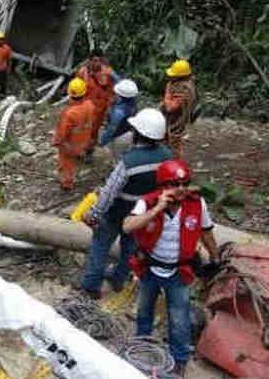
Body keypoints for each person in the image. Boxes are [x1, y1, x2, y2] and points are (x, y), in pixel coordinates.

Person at [123, 159, 219, 376]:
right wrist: (158, 208)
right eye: (175, 184)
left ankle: (180, 359)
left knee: (179, 317)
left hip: (179, 271)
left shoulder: (197, 204)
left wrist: (215, 257)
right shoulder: (147, 203)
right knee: (144, 310)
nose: (181, 189)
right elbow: (128, 226)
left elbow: (206, 232)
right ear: (162, 187)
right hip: (150, 268)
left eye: (185, 183)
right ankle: (142, 344)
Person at [80, 108, 173, 299]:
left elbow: (109, 192)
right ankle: (118, 279)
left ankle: (91, 286)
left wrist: (94, 213)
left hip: (117, 213)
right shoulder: (167, 157)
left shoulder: (129, 161)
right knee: (130, 249)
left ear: (138, 133)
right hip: (142, 216)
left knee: (100, 246)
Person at [52, 78, 95, 190]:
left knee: (66, 163)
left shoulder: (70, 113)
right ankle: (79, 156)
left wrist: (57, 141)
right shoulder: (90, 105)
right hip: (83, 141)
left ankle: (67, 184)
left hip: (70, 145)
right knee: (75, 157)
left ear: (70, 94)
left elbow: (62, 132)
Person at [77, 50, 118, 161]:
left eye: (99, 61)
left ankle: (89, 152)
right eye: (94, 60)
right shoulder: (82, 73)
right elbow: (76, 88)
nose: (97, 63)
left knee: (94, 131)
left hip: (100, 109)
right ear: (89, 60)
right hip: (84, 107)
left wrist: (111, 106)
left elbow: (115, 90)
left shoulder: (108, 73)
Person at [161, 59, 197, 157]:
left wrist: (167, 92)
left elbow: (169, 107)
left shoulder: (184, 90)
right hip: (172, 121)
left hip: (176, 123)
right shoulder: (184, 83)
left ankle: (175, 166)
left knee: (174, 146)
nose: (170, 76)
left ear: (180, 77)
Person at [99, 78, 139, 158]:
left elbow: (111, 129)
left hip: (119, 136)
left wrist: (103, 141)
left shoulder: (119, 111)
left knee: (117, 156)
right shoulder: (132, 102)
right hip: (129, 132)